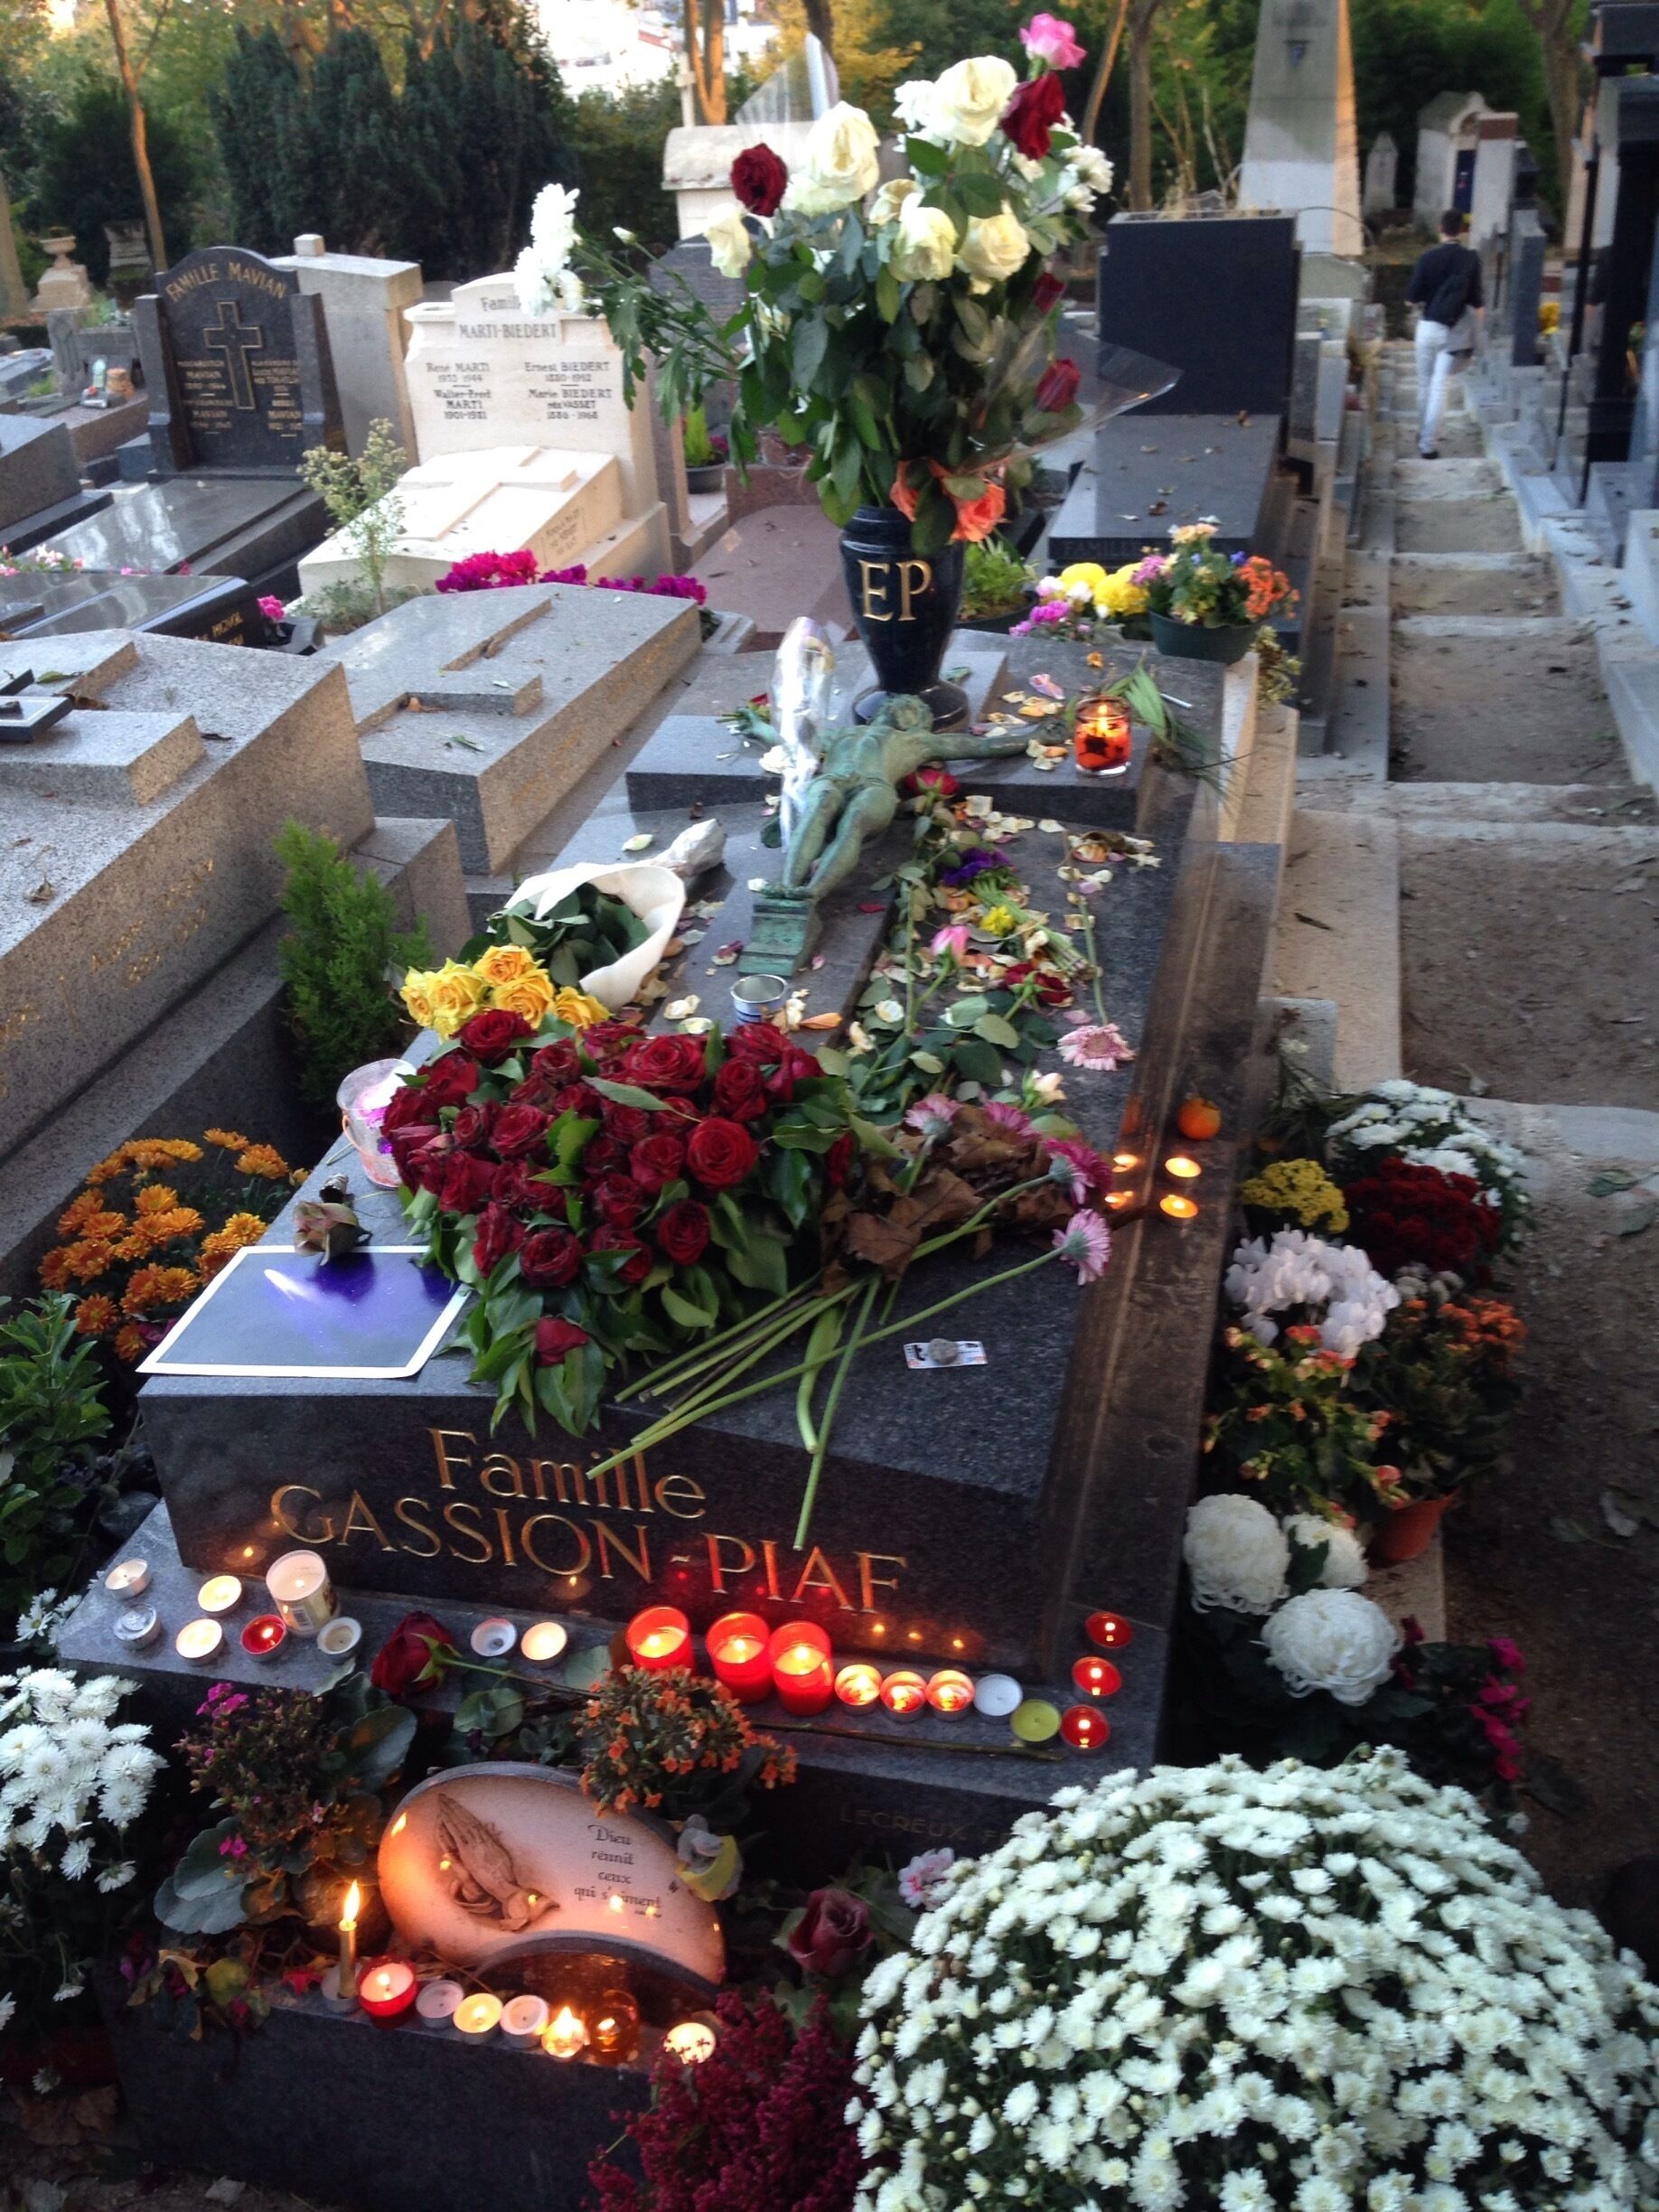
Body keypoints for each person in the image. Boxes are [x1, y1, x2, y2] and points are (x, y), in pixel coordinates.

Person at [1406, 211, 1485, 458]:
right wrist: (1476, 334)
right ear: (1462, 229)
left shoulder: (1427, 258)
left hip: (1428, 326)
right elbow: (1477, 301)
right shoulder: (1470, 259)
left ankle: (1423, 432)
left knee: (1424, 384)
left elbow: (1411, 298)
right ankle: (1428, 445)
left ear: (1440, 228)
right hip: (1454, 330)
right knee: (1440, 387)